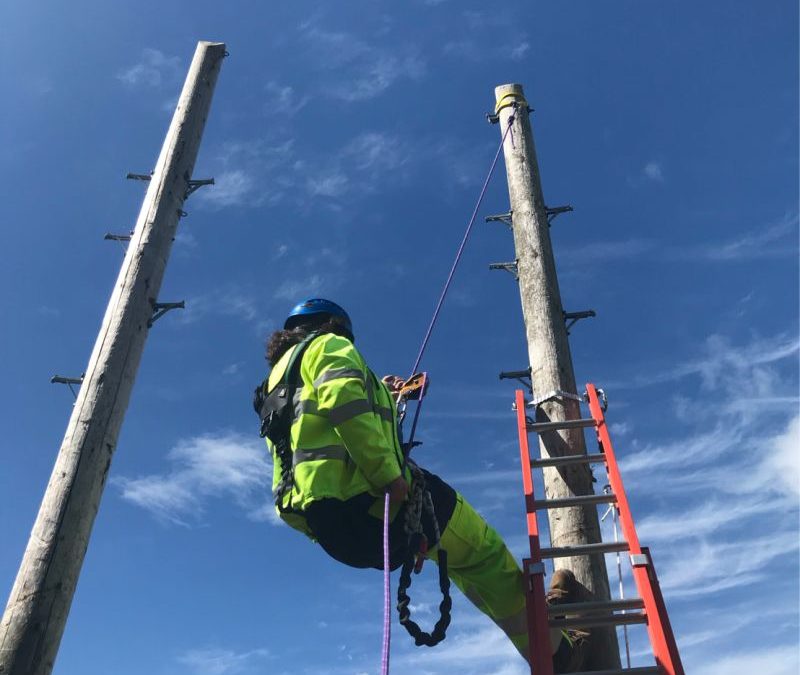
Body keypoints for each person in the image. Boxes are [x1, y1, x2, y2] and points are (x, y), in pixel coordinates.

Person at [254, 298, 530, 660]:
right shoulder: (328, 345)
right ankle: (559, 650)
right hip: (372, 504)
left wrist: (385, 391)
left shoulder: (276, 384)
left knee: (456, 559)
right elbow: (346, 404)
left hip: (331, 529)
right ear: (333, 325)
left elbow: (312, 448)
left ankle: (544, 643)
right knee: (483, 554)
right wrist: (390, 479)